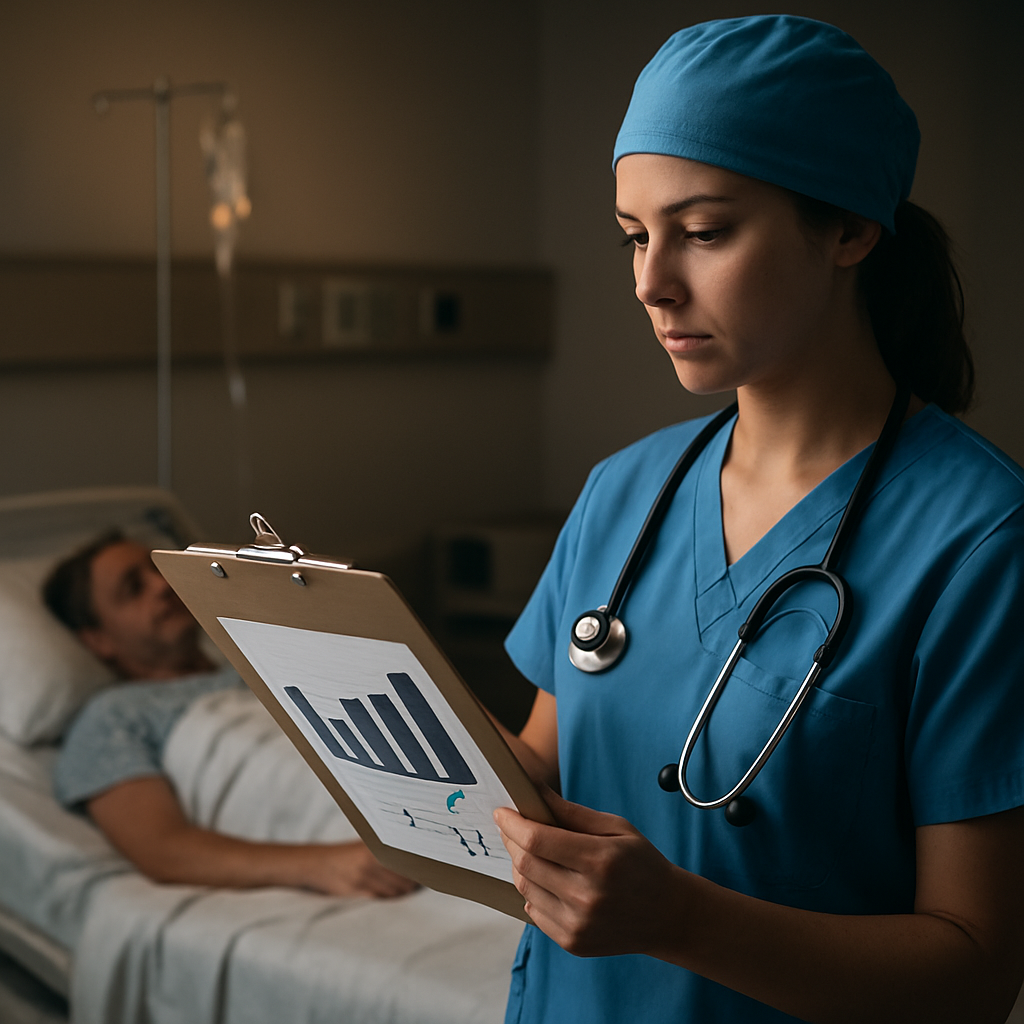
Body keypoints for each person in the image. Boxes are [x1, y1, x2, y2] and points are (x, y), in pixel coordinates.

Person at [489, 15, 1024, 1024]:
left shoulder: (980, 542)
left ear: (850, 229)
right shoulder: (623, 492)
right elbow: (540, 767)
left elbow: (975, 970)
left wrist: (680, 919)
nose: (650, 283)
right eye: (634, 238)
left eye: (701, 231)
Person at [45, 532, 416, 900]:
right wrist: (322, 864)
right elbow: (163, 849)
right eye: (133, 588)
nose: (161, 584)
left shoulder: (265, 661)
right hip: (358, 839)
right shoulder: (114, 716)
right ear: (98, 641)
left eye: (158, 569)